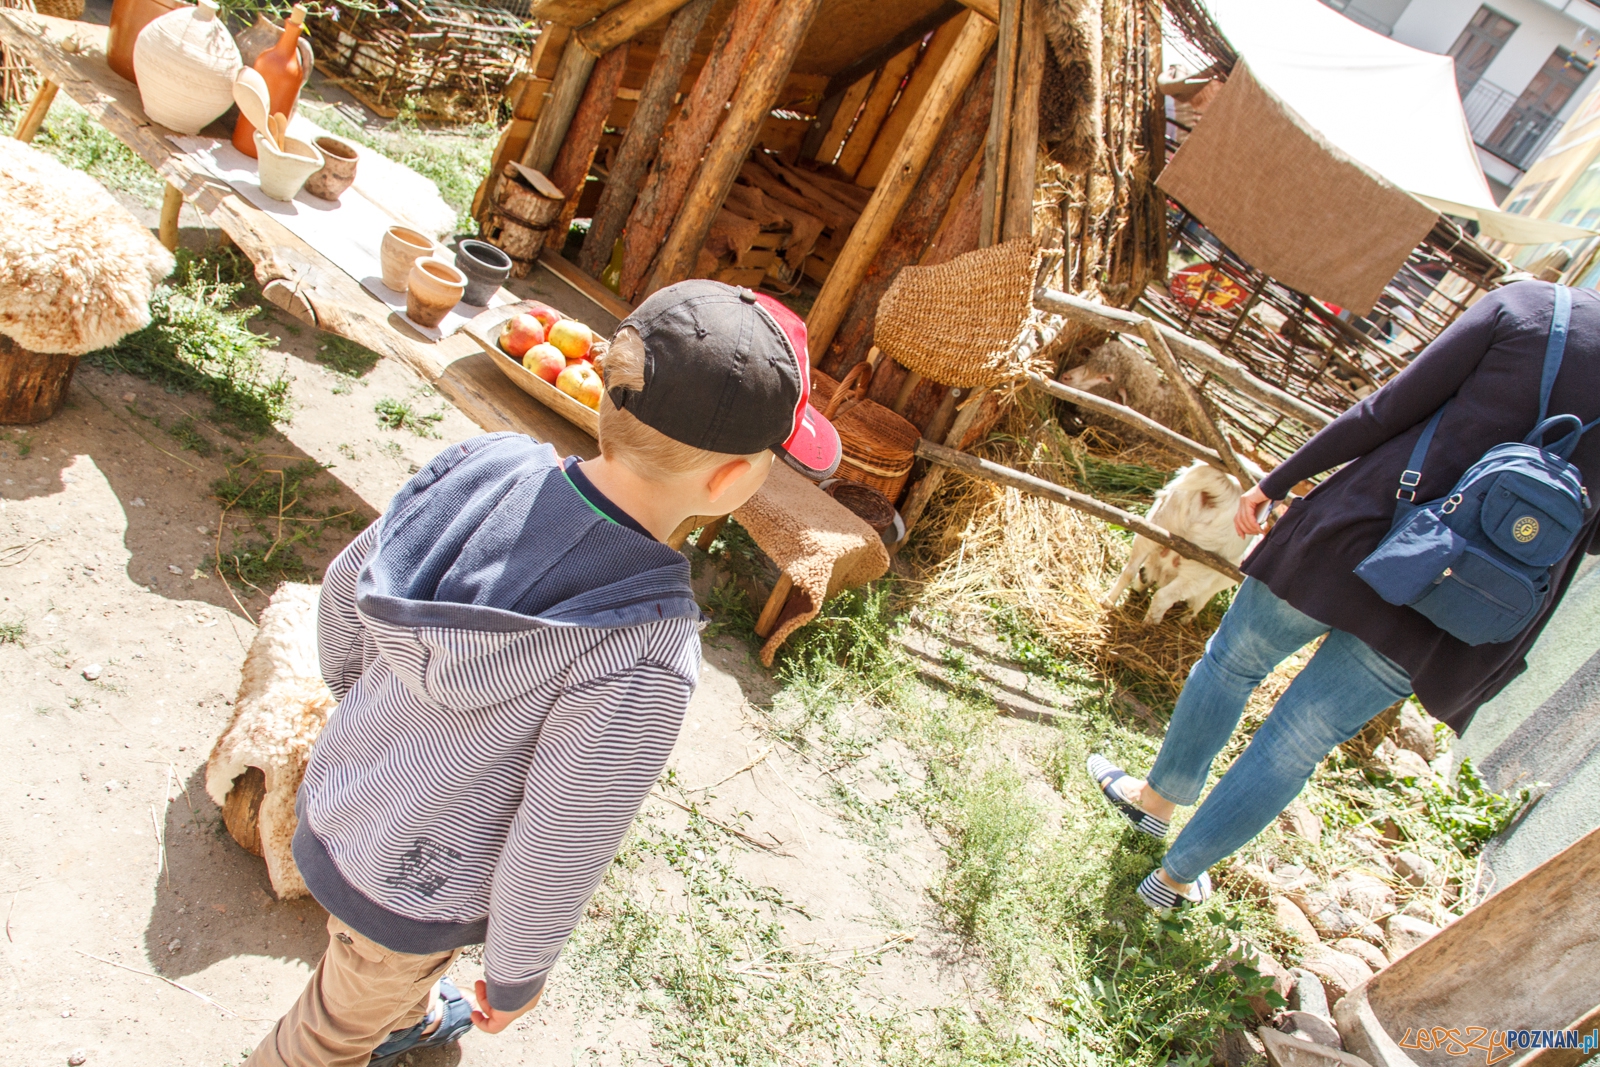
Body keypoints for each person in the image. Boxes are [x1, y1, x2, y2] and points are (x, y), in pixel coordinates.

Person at [244, 281, 842, 1066]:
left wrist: (365, 708)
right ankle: (368, 1025)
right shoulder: (645, 649)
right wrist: (517, 971)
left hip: (347, 790)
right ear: (730, 480)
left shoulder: (485, 464)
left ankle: (401, 1017)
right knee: (327, 1033)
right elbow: (559, 836)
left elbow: (348, 587)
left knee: (370, 971)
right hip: (420, 887)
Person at [1086, 279, 1600, 911]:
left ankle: (1155, 802)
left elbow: (1390, 408)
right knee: (1301, 740)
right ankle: (1173, 881)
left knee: (1233, 663)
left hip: (1365, 528)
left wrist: (1276, 482)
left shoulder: (1530, 307)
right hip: (1464, 599)